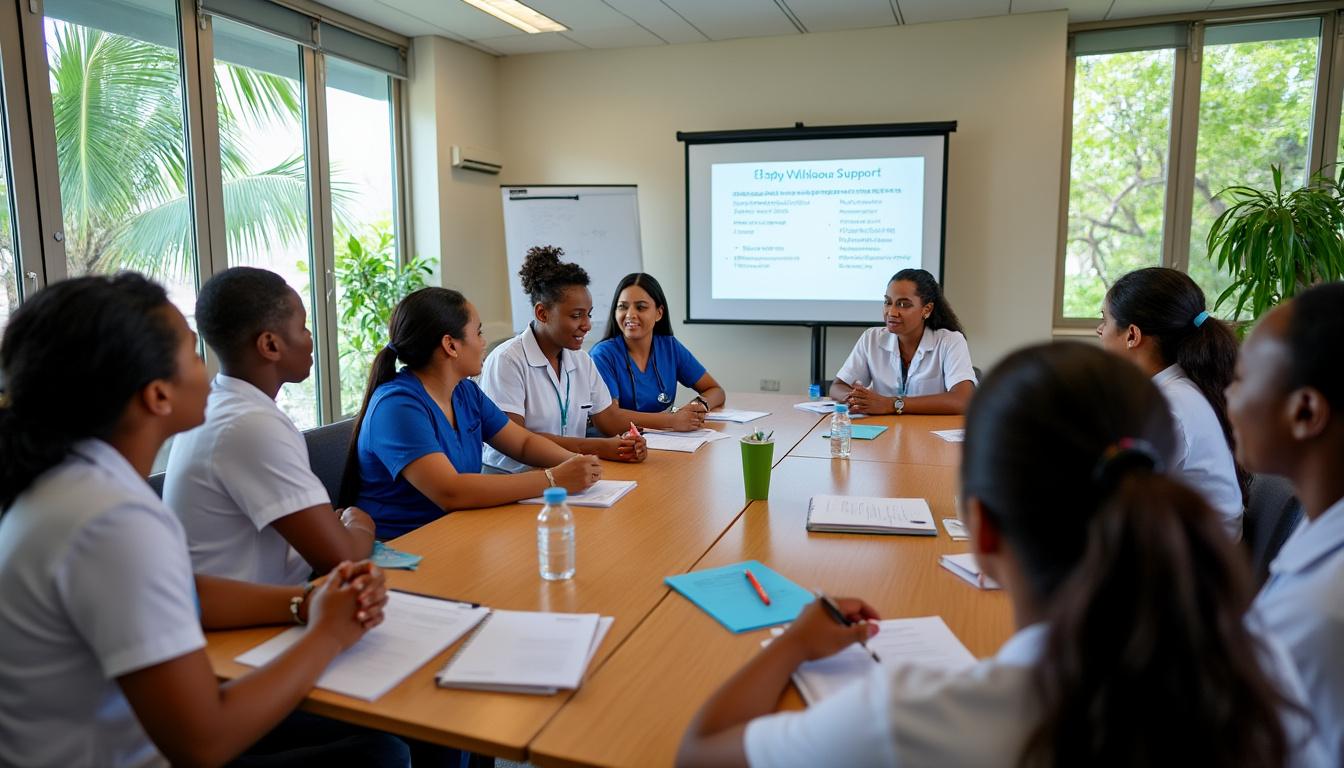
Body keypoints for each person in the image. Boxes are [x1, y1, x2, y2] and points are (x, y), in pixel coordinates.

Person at [678, 342, 1324, 768]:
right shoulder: (1267, 677)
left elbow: (699, 750)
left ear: (981, 530)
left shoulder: (911, 719)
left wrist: (794, 643)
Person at [0, 274, 397, 767]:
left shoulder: (71, 485)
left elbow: (188, 591)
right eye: (191, 354)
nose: (206, 371)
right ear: (156, 395)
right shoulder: (111, 520)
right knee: (379, 752)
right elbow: (203, 743)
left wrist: (307, 602)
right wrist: (328, 633)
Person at [164, 267, 374, 584]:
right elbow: (340, 556)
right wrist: (360, 523)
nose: (310, 339)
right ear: (270, 345)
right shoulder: (250, 425)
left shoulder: (223, 406)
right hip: (246, 625)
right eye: (303, 328)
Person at [342, 286, 602, 539]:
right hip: (404, 548)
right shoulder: (396, 406)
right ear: (451, 346)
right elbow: (450, 491)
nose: (484, 343)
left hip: (457, 532)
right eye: (478, 333)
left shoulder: (465, 392)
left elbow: (522, 442)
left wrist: (575, 464)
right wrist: (553, 478)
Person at [1228, 281, 1344, 761]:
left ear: (1305, 411)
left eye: (1241, 378)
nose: (1228, 397)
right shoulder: (1320, 531)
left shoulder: (1315, 614)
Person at [1098, 267, 1245, 538]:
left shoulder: (1170, 407)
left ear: (1132, 335)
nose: (1099, 330)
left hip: (1193, 565)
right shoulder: (1175, 393)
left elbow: (1114, 496)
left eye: (1104, 320)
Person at [481, 246, 649, 473]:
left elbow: (608, 418)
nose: (587, 325)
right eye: (576, 315)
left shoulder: (581, 360)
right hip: (514, 477)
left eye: (588, 314)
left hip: (569, 472)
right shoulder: (507, 360)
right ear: (542, 313)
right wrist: (595, 447)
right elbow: (516, 439)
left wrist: (629, 442)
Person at [591, 272, 726, 432]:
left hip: (662, 443)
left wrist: (699, 405)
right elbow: (609, 420)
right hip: (618, 447)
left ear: (659, 313)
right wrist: (672, 420)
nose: (630, 314)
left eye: (641, 307)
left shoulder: (669, 347)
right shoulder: (603, 355)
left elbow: (716, 391)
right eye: (623, 307)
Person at [829, 268, 976, 415]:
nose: (891, 312)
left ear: (927, 309)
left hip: (930, 432)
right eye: (888, 302)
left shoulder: (950, 341)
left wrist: (892, 404)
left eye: (903, 304)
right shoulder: (871, 338)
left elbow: (962, 400)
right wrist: (856, 399)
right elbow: (838, 386)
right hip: (884, 430)